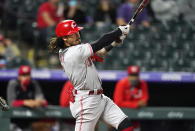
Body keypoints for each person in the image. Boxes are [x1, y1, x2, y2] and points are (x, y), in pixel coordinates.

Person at [49, 19, 136, 131]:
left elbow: (100, 53)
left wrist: (114, 43)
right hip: (86, 102)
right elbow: (99, 43)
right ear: (64, 38)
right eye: (73, 34)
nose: (77, 35)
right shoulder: (72, 53)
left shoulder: (74, 50)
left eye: (77, 32)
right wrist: (118, 31)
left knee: (126, 125)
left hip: (99, 98)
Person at [7, 65, 49, 130]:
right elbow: (11, 103)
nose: (26, 77)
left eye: (27, 74)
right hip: (14, 122)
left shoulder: (34, 84)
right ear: (19, 76)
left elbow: (44, 102)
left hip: (29, 122)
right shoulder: (13, 84)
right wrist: (25, 102)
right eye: (23, 75)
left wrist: (37, 102)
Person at [113, 66, 149, 131]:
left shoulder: (143, 83)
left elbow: (144, 101)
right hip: (122, 116)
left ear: (138, 76)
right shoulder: (121, 84)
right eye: (132, 75)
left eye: (135, 75)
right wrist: (136, 104)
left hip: (137, 117)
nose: (134, 78)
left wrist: (127, 103)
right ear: (128, 75)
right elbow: (118, 102)